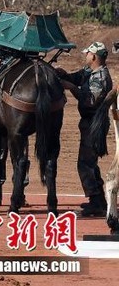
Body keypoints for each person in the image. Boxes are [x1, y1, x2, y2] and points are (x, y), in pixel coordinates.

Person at [55, 41, 113, 217]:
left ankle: (95, 202)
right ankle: (99, 200)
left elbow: (89, 101)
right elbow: (77, 77)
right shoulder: (91, 72)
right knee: (91, 163)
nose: (85, 55)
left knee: (85, 164)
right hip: (89, 123)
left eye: (87, 53)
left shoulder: (100, 77)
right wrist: (65, 75)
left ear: (94, 56)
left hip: (95, 124)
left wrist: (71, 88)